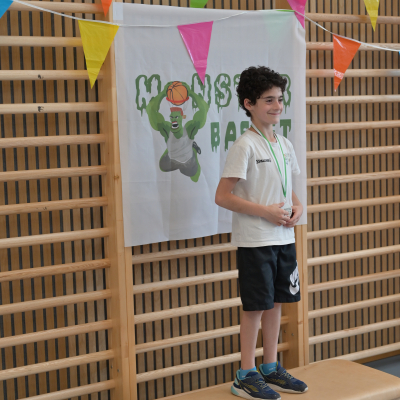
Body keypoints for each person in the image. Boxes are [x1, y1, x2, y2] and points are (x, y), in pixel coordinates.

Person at [215, 66, 308, 400]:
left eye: (279, 99)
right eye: (268, 100)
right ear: (249, 103)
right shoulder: (245, 145)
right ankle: (245, 374)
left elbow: (286, 188)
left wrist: (297, 206)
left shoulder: (284, 143)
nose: (277, 106)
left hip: (283, 238)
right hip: (255, 241)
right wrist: (265, 212)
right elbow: (222, 196)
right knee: (255, 306)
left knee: (276, 303)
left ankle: (270, 367)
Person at [146, 81, 209, 183]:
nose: (174, 119)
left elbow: (204, 109)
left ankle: (193, 151)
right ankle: (173, 149)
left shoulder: (189, 128)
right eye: (172, 117)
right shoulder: (167, 128)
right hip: (172, 161)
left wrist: (191, 92)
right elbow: (150, 109)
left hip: (188, 162)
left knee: (193, 173)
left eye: (176, 117)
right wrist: (163, 93)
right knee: (162, 166)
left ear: (182, 118)